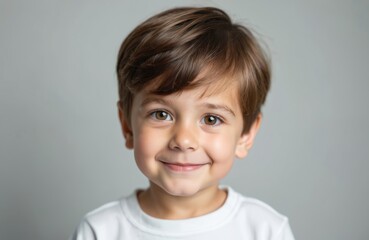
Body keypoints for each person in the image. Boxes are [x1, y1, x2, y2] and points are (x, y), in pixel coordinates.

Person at [71, 6, 295, 240]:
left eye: (211, 119)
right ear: (127, 126)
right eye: (161, 114)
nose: (184, 140)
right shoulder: (100, 231)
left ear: (245, 136)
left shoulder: (265, 230)